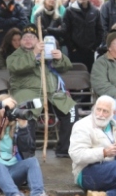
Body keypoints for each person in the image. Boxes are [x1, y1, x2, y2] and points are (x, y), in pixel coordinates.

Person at [6, 24, 77, 158]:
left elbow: (66, 67)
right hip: (27, 93)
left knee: (72, 110)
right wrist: (34, 54)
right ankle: (28, 151)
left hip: (52, 94)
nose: (28, 39)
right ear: (20, 41)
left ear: (38, 41)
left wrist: (60, 57)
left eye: (32, 37)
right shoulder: (15, 56)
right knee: (26, 112)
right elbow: (16, 66)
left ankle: (64, 149)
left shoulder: (47, 53)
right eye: (25, 37)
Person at [69, 95, 116, 196]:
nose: (100, 114)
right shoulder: (82, 126)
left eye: (105, 111)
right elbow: (76, 155)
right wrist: (103, 152)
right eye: (98, 109)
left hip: (110, 172)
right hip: (86, 172)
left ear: (113, 113)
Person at [62, 0, 103, 72]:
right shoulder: (69, 11)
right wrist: (72, 48)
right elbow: (66, 31)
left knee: (88, 74)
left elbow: (100, 31)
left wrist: (94, 47)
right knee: (75, 75)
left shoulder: (95, 12)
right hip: (74, 51)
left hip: (90, 51)